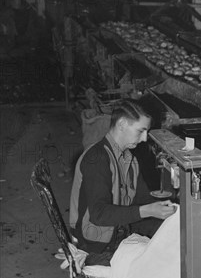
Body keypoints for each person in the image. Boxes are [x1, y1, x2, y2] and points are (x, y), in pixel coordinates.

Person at [70, 99, 176, 261]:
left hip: (118, 229)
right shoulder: (97, 159)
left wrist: (164, 207)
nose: (144, 139)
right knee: (165, 259)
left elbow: (141, 199)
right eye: (140, 131)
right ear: (121, 124)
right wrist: (148, 210)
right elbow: (99, 215)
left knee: (175, 235)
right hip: (95, 244)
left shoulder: (129, 159)